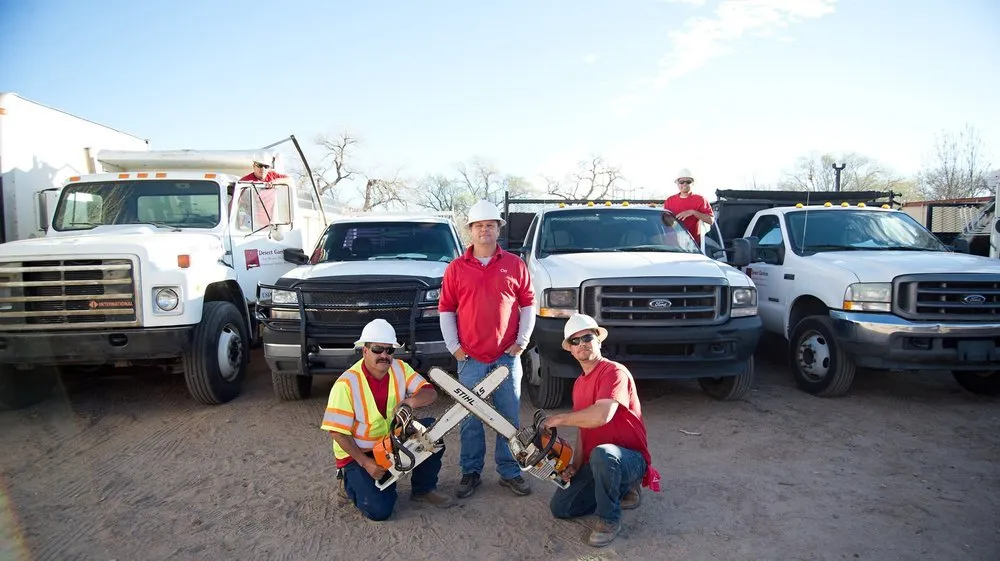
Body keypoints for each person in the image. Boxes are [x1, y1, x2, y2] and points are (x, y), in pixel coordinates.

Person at [438, 199, 536, 499]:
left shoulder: (515, 264)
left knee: (509, 419)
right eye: (479, 226)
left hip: (507, 357)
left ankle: (510, 472)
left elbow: (529, 302)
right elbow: (446, 308)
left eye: (490, 225)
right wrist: (454, 347)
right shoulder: (456, 268)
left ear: (498, 229)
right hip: (471, 359)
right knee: (469, 419)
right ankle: (471, 472)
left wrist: (522, 341)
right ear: (471, 230)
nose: (485, 230)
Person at [543, 313, 662, 548]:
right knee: (561, 508)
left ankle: (609, 519)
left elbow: (601, 415)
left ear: (598, 339)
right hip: (598, 461)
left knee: (603, 454)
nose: (581, 344)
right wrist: (576, 465)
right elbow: (582, 429)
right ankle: (619, 490)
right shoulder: (579, 384)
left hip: (628, 458)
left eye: (586, 337)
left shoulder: (614, 372)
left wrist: (558, 418)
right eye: (575, 341)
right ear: (570, 349)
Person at [320, 318, 453, 521]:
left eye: (389, 350)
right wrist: (365, 463)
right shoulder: (346, 383)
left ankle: (423, 489)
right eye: (377, 349)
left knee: (432, 431)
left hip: (391, 442)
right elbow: (336, 431)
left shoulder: (400, 368)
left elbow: (429, 393)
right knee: (380, 511)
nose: (384, 355)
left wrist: (410, 402)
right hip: (359, 455)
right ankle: (348, 481)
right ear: (364, 350)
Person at [663, 168, 714, 248]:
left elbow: (711, 220)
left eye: (688, 182)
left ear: (692, 183)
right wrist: (672, 222)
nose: (685, 184)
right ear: (677, 183)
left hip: (692, 247)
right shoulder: (669, 200)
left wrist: (693, 212)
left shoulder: (700, 200)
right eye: (681, 181)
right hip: (671, 247)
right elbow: (664, 222)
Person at [237, 156, 287, 228]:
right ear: (254, 166)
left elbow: (289, 179)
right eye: (260, 165)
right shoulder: (244, 181)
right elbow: (237, 202)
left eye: (266, 166)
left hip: (271, 221)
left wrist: (276, 181)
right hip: (253, 221)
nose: (263, 169)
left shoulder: (273, 176)